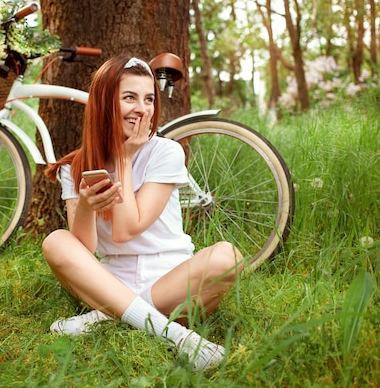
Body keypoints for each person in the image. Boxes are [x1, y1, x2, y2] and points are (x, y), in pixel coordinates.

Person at [42, 54, 243, 371]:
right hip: (108, 280)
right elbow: (85, 250)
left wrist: (124, 159)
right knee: (56, 241)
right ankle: (179, 335)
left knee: (226, 257)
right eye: (129, 97)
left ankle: (102, 318)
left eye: (149, 98)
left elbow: (127, 229)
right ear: (105, 104)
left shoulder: (166, 152)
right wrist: (85, 207)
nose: (142, 108)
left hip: (173, 278)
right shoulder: (75, 166)